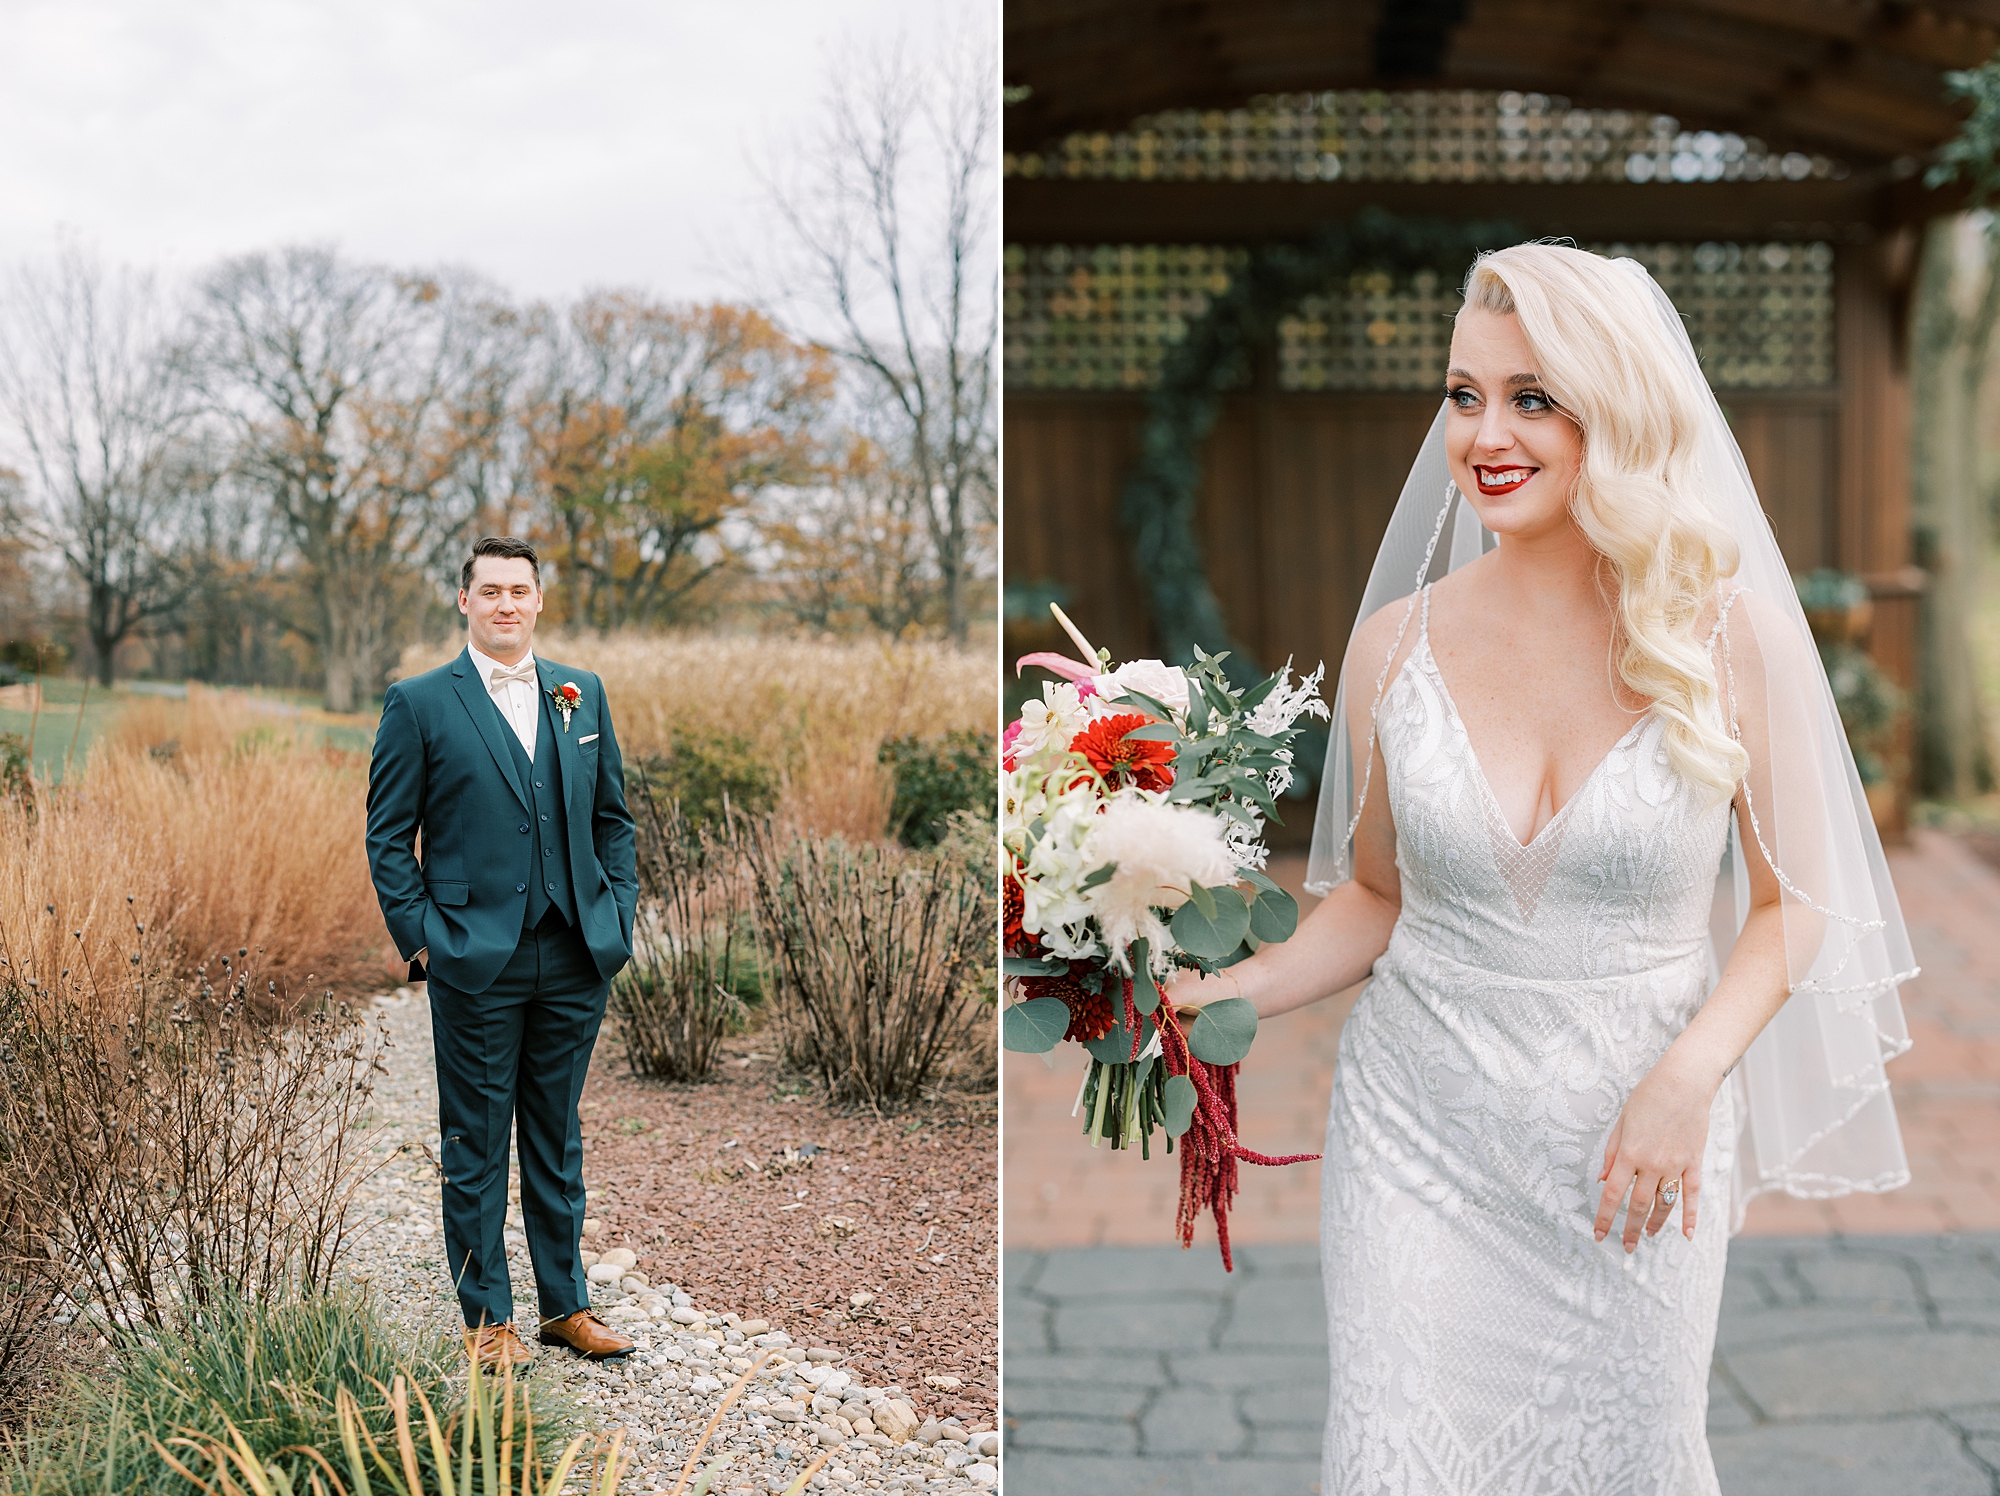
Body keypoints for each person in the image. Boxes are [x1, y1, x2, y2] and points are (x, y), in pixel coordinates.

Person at [1169, 244, 1915, 1494]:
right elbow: (1373, 897)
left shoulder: (1720, 634)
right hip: (1418, 1140)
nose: (1483, 434)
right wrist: (1210, 989)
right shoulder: (1388, 647)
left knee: (1625, 1459)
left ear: (1612, 412)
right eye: (1462, 394)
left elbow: (1799, 905)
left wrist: (1686, 1077)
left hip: (1635, 1147)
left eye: (1532, 396)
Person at [366, 535, 639, 1368]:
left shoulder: (580, 693)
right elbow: (387, 839)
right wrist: (427, 943)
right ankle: (487, 1319)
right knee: (477, 1141)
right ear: (464, 601)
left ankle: (566, 1306)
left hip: (574, 955)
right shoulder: (418, 702)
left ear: (539, 599)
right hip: (473, 959)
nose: (506, 605)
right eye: (490, 592)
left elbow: (612, 823)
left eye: (519, 590)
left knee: (556, 1139)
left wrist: (614, 918)